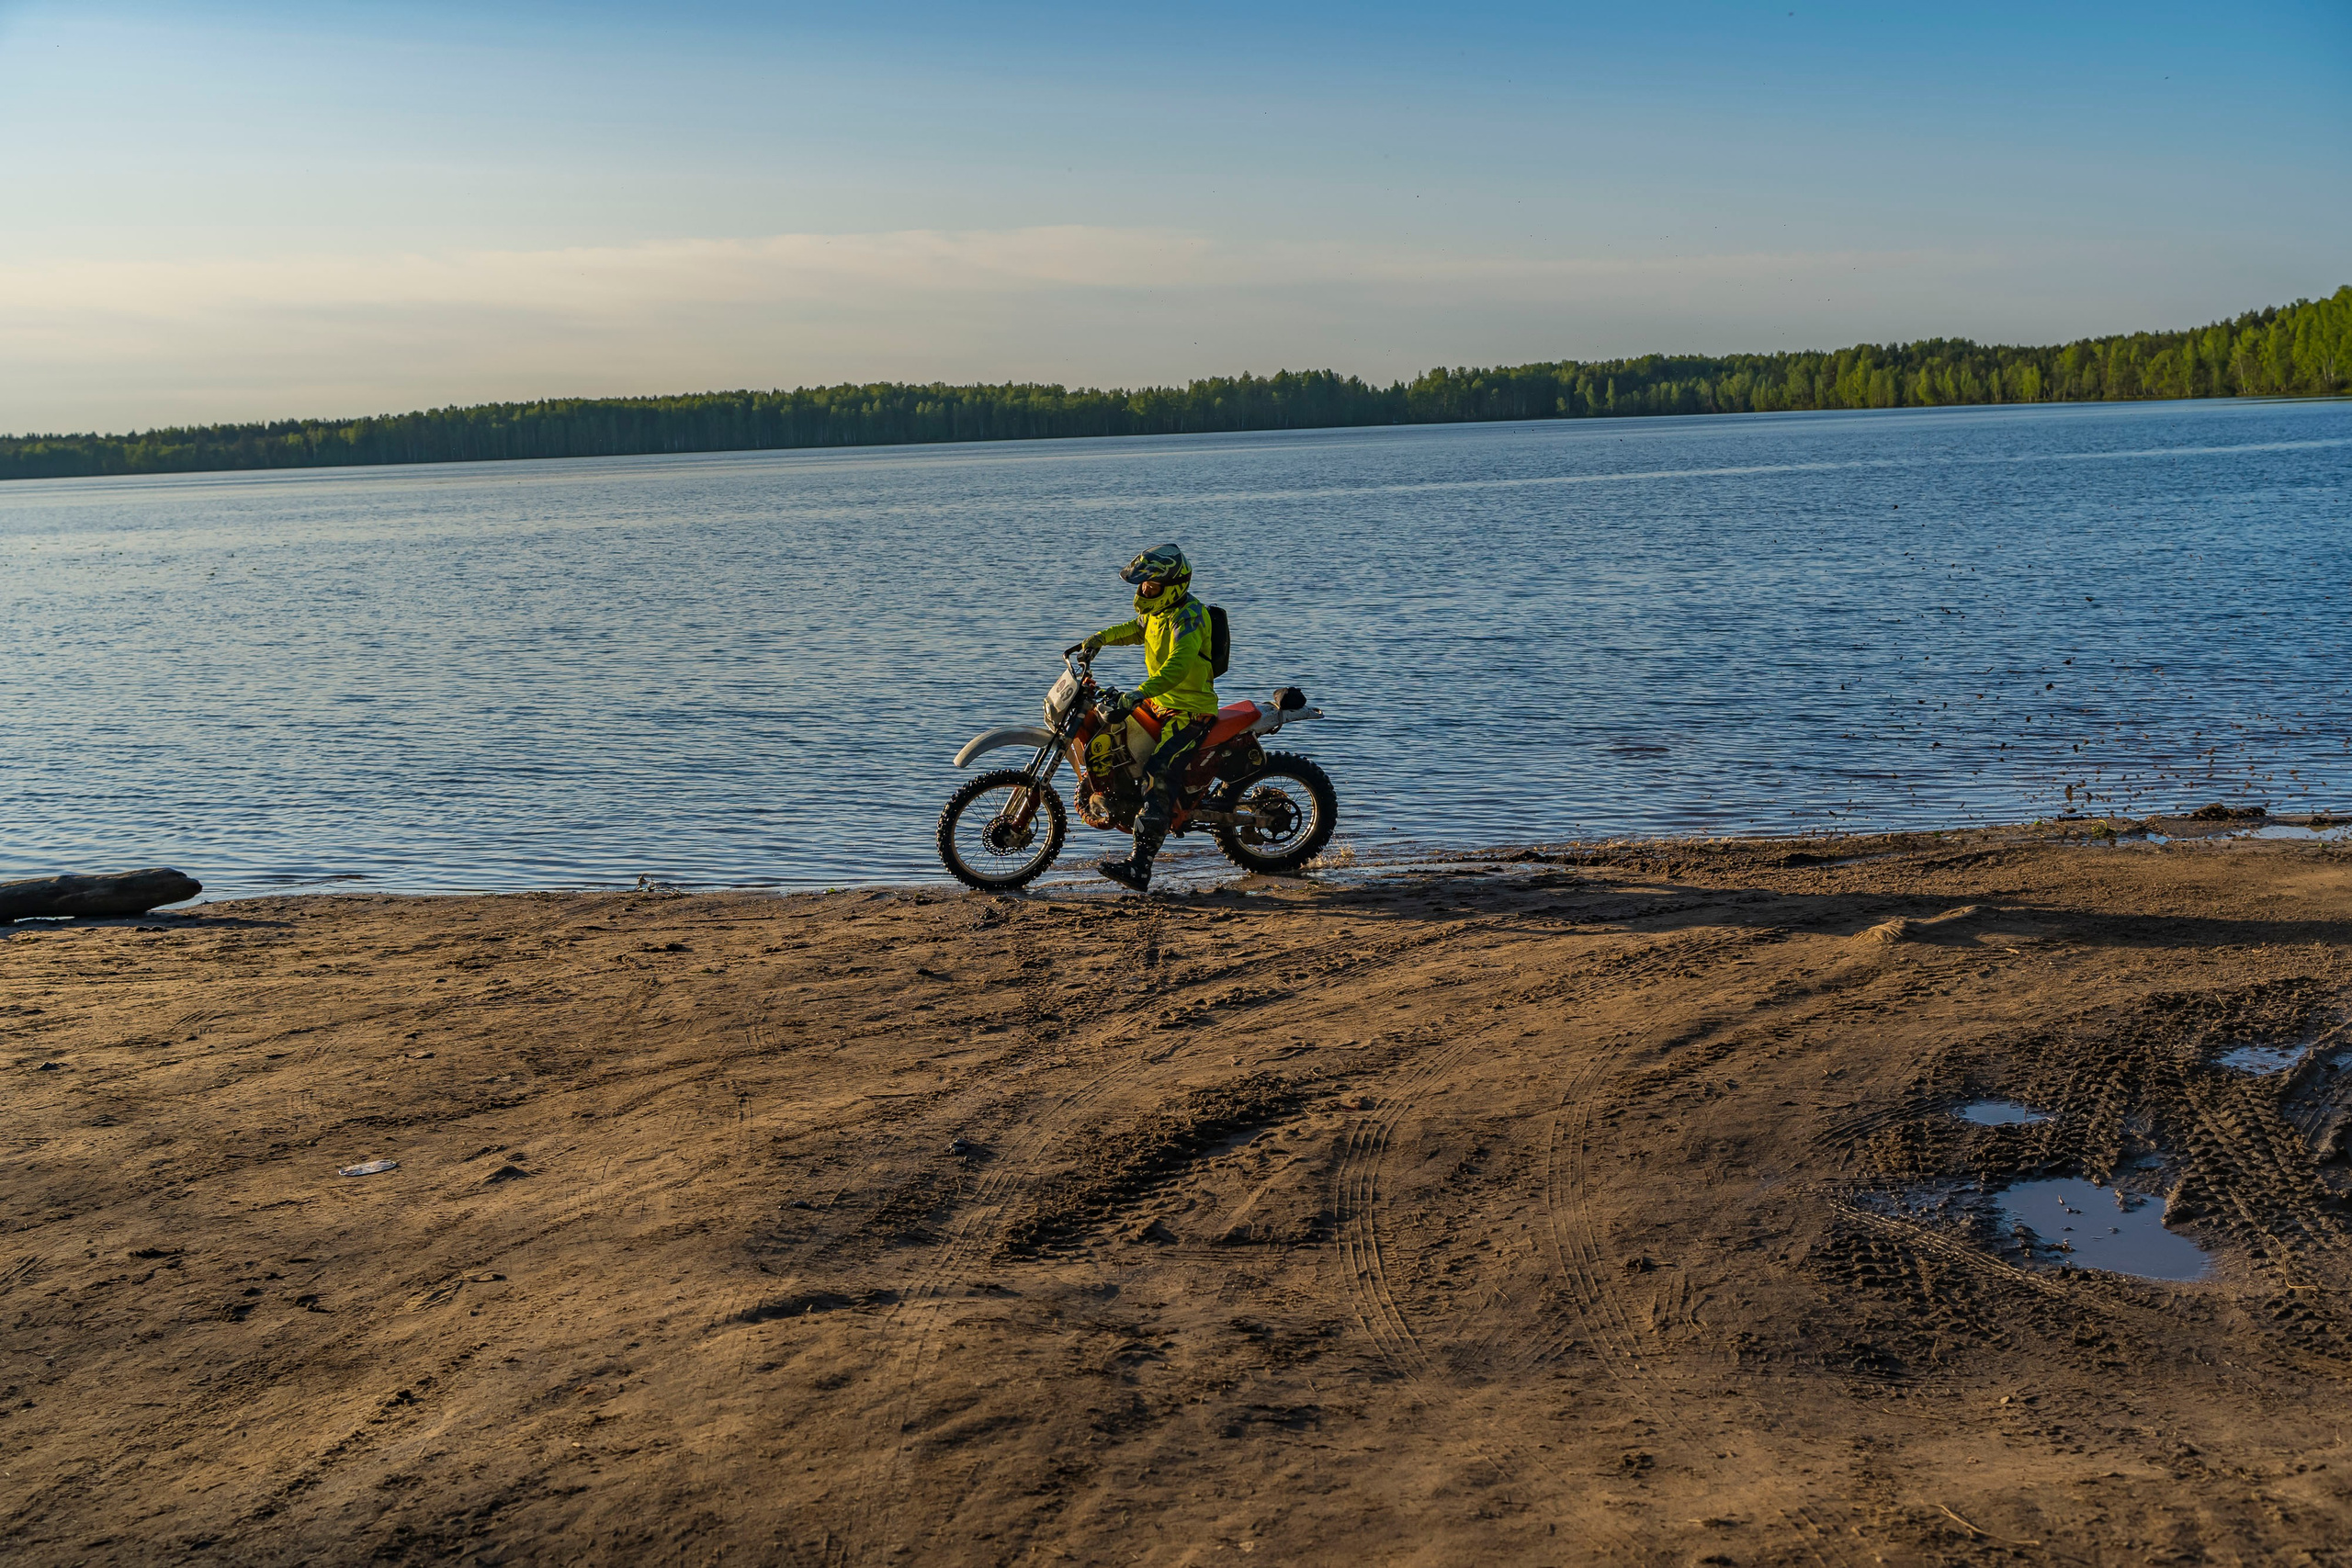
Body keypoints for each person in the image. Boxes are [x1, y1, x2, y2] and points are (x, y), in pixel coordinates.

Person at [1079, 543, 1217, 892]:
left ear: (1173, 586)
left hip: (1189, 710)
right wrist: (1098, 639)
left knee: (1158, 774)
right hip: (1158, 703)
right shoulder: (1159, 612)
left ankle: (1140, 867)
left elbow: (1176, 667)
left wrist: (1137, 692)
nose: (1144, 591)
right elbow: (1135, 629)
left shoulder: (1189, 616)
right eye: (1142, 586)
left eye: (1151, 586)